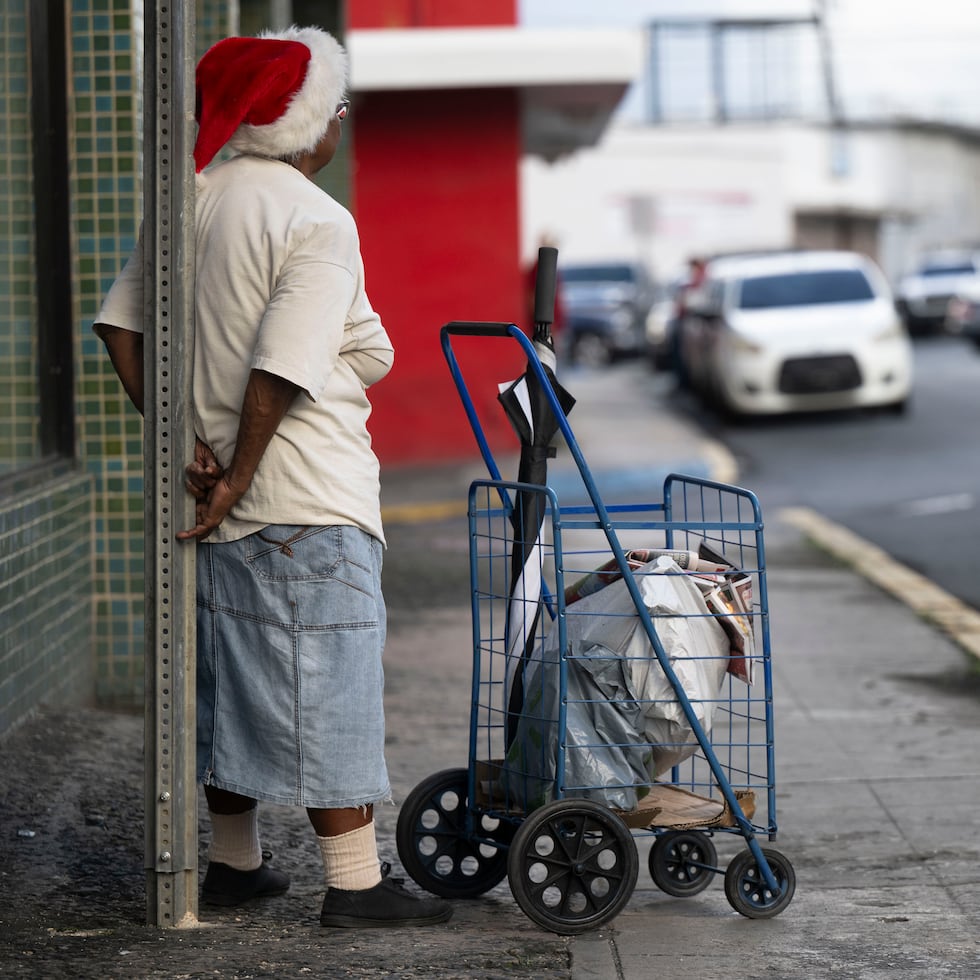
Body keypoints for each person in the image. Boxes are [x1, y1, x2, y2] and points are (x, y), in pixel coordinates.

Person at [93, 25, 452, 929]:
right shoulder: (316, 217)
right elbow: (285, 365)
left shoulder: (191, 200)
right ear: (305, 126)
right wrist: (240, 473)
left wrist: (186, 452)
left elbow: (119, 328)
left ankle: (238, 865)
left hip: (211, 496)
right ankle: (356, 886)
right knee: (327, 682)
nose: (339, 125)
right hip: (305, 495)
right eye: (336, 109)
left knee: (225, 682)